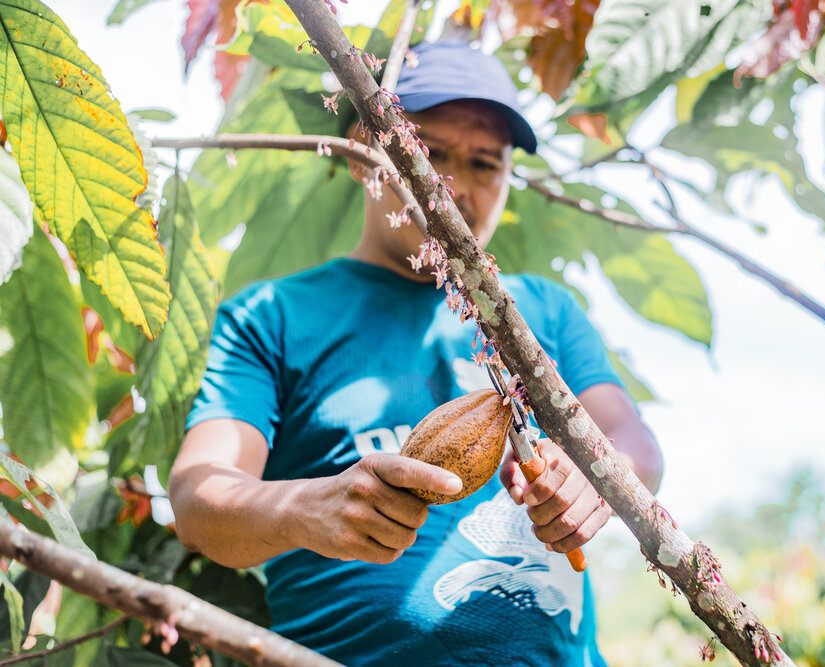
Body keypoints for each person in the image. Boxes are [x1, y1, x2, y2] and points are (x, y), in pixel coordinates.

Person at [169, 40, 663, 666]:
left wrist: (599, 480)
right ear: (361, 153)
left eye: (484, 164)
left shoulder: (543, 312)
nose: (450, 186)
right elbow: (197, 501)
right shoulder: (271, 316)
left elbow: (636, 445)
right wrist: (302, 508)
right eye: (427, 154)